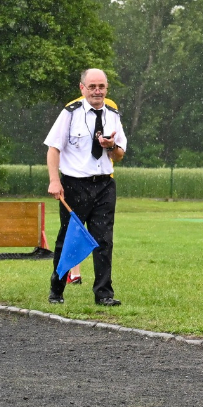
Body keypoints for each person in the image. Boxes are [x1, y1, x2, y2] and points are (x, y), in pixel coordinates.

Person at [45, 69, 128, 306]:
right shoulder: (70, 113)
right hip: (74, 185)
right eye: (92, 87)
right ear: (82, 88)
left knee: (104, 239)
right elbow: (53, 148)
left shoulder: (113, 114)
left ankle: (104, 294)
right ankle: (57, 289)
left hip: (103, 184)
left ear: (106, 88)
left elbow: (120, 155)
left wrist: (111, 146)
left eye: (101, 86)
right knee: (68, 238)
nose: (97, 91)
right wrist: (54, 180)